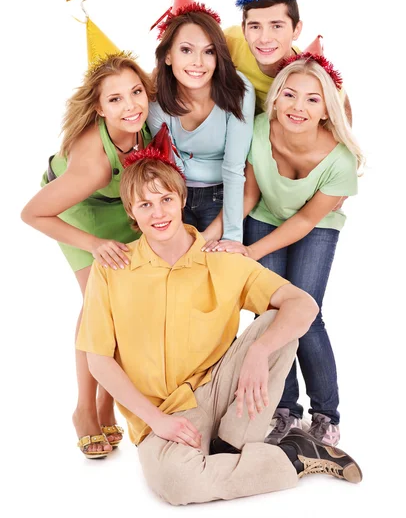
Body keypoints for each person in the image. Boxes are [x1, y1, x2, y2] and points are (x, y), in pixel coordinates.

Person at [76, 138, 362, 504]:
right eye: (145, 204)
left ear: (182, 200)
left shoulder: (222, 260)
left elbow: (303, 304)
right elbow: (98, 359)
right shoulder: (112, 269)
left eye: (166, 199)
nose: (158, 213)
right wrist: (158, 421)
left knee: (279, 319)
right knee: (177, 483)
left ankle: (228, 445)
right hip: (162, 413)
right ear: (132, 212)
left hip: (223, 393)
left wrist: (259, 352)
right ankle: (292, 457)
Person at [204, 53, 364, 446]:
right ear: (274, 99)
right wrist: (215, 237)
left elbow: (306, 221)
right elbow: (248, 193)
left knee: (307, 314)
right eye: (290, 95)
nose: (298, 107)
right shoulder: (259, 130)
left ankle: (326, 414)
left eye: (312, 99)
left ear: (327, 109)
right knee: (271, 313)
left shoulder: (340, 160)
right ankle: (284, 410)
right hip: (264, 214)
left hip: (315, 225)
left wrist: (252, 253)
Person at [21, 28, 153, 458]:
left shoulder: (148, 122)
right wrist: (94, 244)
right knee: (99, 302)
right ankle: (85, 409)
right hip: (78, 210)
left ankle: (106, 400)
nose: (130, 105)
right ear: (99, 107)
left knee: (132, 305)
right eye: (115, 100)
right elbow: (33, 213)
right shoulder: (93, 164)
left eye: (136, 92)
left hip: (125, 203)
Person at [147, 0, 255, 243]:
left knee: (222, 268)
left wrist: (230, 239)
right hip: (175, 194)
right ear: (169, 56)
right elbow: (171, 167)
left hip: (225, 194)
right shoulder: (155, 99)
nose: (198, 62)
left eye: (209, 52)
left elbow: (233, 169)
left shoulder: (239, 91)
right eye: (186, 50)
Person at [225, 0, 352, 124]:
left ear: (296, 30)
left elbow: (343, 112)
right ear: (244, 29)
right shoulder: (229, 41)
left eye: (276, 26)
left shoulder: (311, 76)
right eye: (255, 26)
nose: (265, 38)